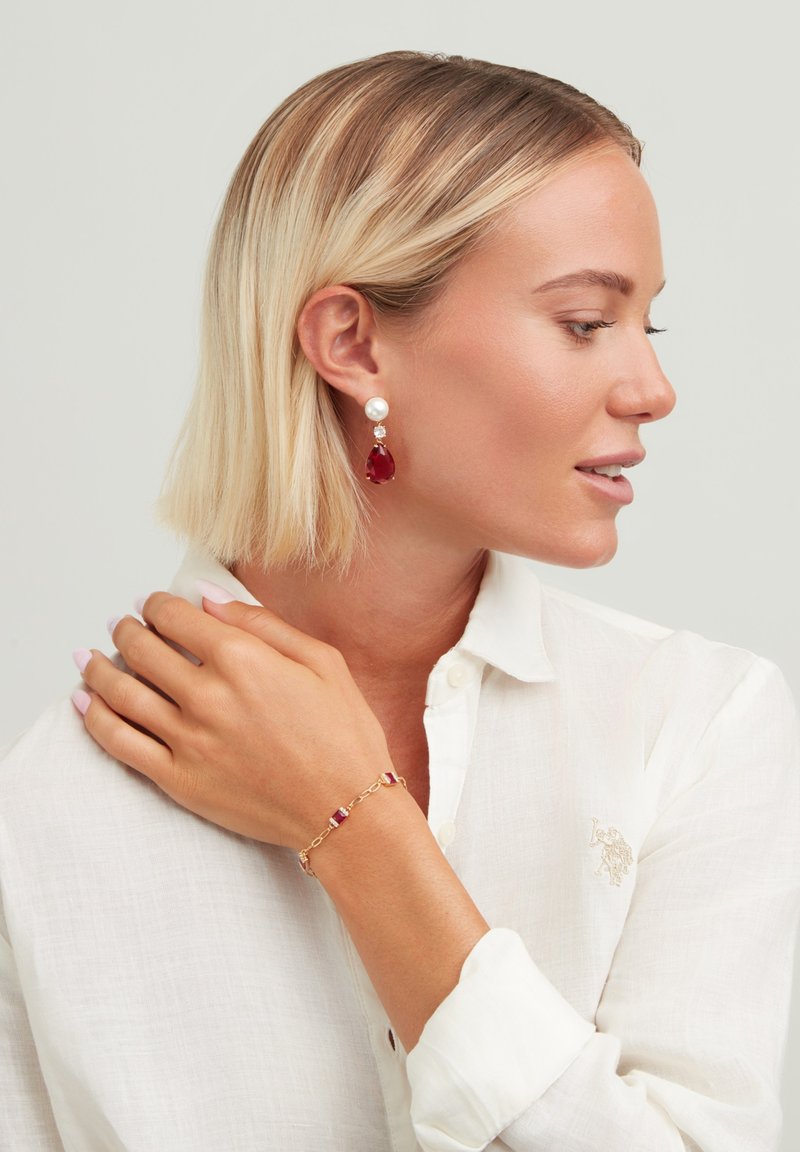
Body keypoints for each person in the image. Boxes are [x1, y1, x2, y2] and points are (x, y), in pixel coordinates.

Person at [1, 50, 798, 1152]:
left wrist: (357, 827)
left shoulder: (695, 726)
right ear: (352, 342)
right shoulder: (46, 811)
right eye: (582, 323)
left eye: (644, 325)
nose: (652, 390)